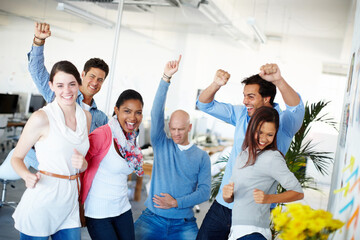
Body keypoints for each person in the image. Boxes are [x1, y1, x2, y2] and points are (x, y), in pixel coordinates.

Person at [196, 64, 305, 239]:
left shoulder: (284, 123)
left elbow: (297, 109)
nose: (245, 101)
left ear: (266, 98)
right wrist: (216, 84)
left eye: (251, 96)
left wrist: (278, 80)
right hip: (224, 205)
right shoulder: (241, 114)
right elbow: (204, 104)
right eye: (245, 96)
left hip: (254, 213)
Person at [12, 22, 109, 172]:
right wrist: (39, 41)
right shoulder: (60, 95)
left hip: (77, 177)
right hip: (51, 173)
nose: (95, 82)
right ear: (82, 75)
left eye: (100, 80)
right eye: (92, 76)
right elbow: (37, 71)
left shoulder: (100, 118)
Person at [11, 61, 91, 240]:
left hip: (70, 200)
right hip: (44, 198)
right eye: (60, 85)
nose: (67, 91)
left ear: (79, 84)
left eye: (72, 84)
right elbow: (16, 157)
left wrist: (84, 164)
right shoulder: (41, 118)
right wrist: (26, 175)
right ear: (51, 86)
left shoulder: (86, 117)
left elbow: (82, 161)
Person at [134, 56, 211, 240]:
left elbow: (204, 191)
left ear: (189, 128)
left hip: (183, 223)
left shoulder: (201, 157)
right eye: (173, 129)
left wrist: (176, 203)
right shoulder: (161, 144)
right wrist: (166, 78)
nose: (176, 133)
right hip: (153, 219)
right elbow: (156, 113)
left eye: (181, 129)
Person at [222, 106, 304, 240]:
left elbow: (298, 192)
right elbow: (232, 198)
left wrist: (268, 199)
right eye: (260, 132)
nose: (264, 139)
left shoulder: (272, 158)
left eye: (270, 135)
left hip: (254, 233)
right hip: (237, 232)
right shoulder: (243, 155)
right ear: (252, 128)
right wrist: (227, 196)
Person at [80, 89, 144, 240]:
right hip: (98, 211)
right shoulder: (102, 135)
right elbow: (79, 168)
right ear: (116, 110)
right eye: (127, 111)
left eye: (138, 112)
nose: (133, 117)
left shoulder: (131, 138)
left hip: (122, 208)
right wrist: (78, 206)